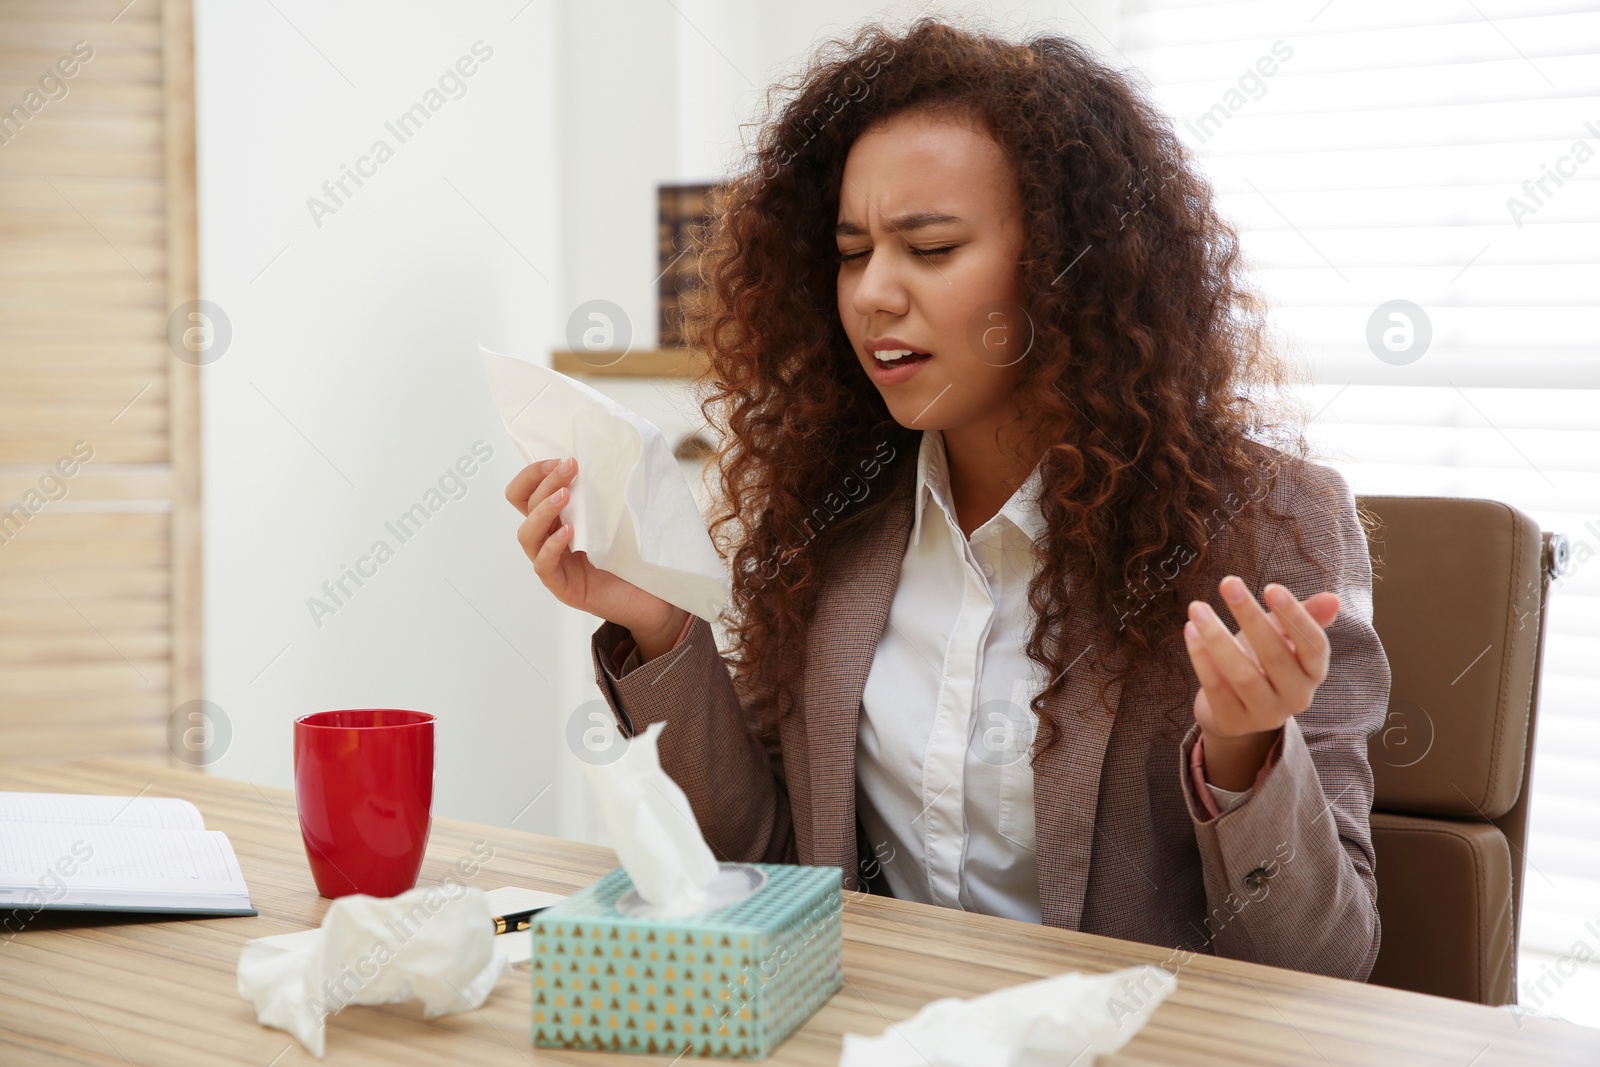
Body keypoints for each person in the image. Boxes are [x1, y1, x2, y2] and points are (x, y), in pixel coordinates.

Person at [504, 18, 1389, 982]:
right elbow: (768, 865)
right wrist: (660, 625)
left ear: (1066, 268)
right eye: (851, 252)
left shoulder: (1265, 525)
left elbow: (1328, 962)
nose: (873, 293)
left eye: (928, 248)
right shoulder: (830, 517)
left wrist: (1245, 751)